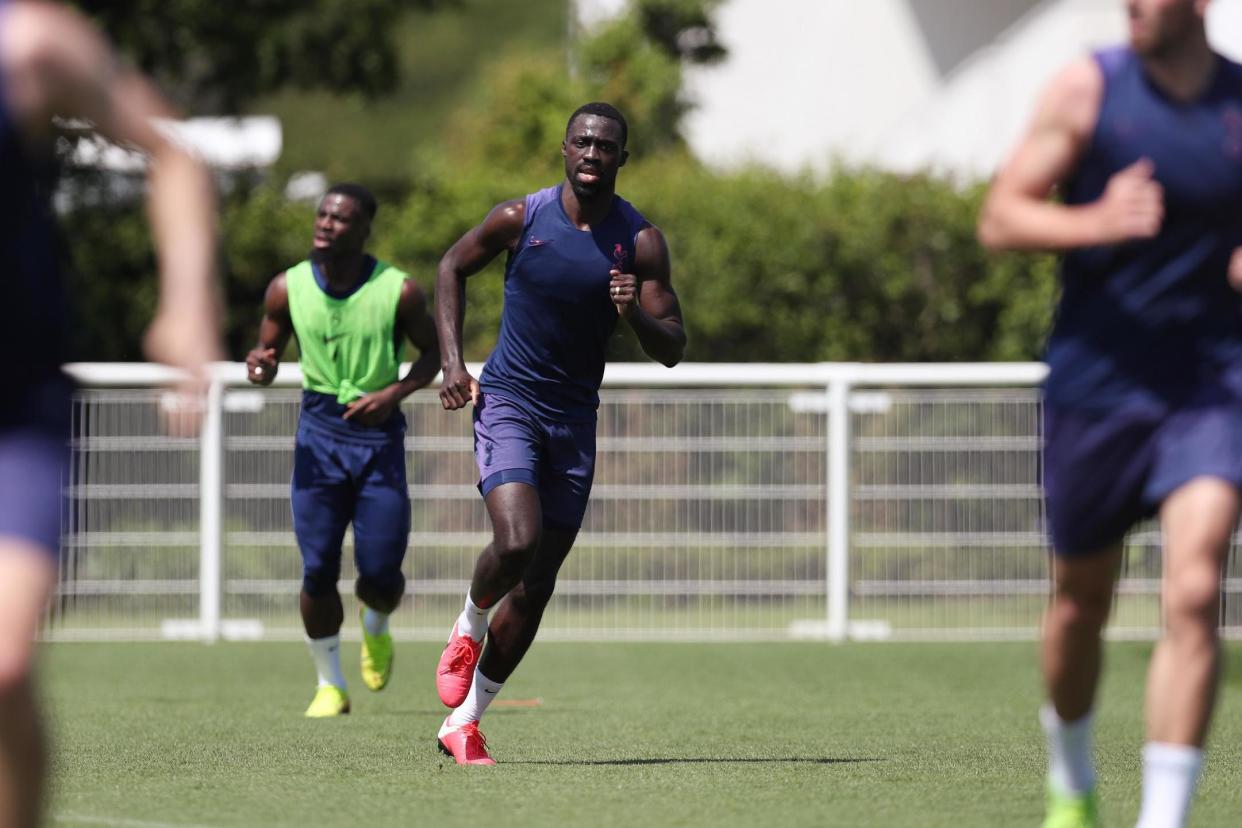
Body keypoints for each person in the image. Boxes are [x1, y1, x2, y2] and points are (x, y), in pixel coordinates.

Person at [977, 1, 1242, 826]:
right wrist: (1097, 221)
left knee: (1195, 589)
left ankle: (1162, 819)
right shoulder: (1089, 90)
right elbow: (1000, 215)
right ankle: (1071, 775)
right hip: (1098, 385)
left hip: (1211, 385)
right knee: (1079, 602)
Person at [0, 1, 223, 825]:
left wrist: (189, 302)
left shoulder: (30, 44)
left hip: (14, 413)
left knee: (4, 668)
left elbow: (173, 154)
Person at [432, 102, 686, 764]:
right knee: (516, 541)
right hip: (509, 401)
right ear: (565, 149)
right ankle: (467, 624)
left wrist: (634, 315)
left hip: (574, 421)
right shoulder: (522, 217)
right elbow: (450, 267)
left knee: (538, 583)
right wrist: (454, 362)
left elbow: (672, 347)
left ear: (623, 158)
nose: (593, 154)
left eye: (607, 146)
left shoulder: (642, 243)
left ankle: (466, 722)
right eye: (583, 142)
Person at [246, 183, 439, 718]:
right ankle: (329, 684)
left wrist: (392, 394)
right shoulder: (286, 287)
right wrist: (261, 367)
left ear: (363, 229)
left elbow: (434, 355)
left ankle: (375, 624)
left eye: (340, 217)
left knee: (380, 574)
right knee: (317, 569)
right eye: (322, 214)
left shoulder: (399, 290)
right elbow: (266, 355)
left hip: (379, 441)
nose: (326, 223)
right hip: (318, 437)